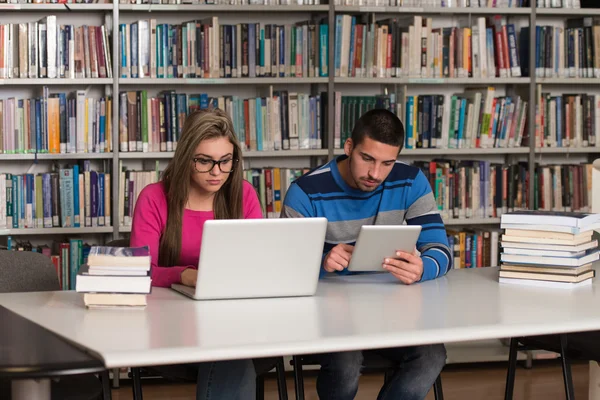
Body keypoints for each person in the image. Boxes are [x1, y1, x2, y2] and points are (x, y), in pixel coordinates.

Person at [280, 108, 451, 400]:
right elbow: (282, 267)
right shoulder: (305, 191)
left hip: (391, 310)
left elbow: (440, 249)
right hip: (330, 317)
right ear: (349, 148)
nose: (375, 174)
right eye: (367, 159)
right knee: (345, 364)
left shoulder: (411, 181)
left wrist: (423, 268)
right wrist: (321, 263)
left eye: (388, 163)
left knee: (432, 355)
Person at [130, 108, 263, 400]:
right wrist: (184, 275)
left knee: (233, 343)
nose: (217, 172)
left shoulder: (244, 195)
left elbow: (260, 260)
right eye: (204, 161)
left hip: (234, 315)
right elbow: (141, 270)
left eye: (225, 161)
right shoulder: (154, 198)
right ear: (186, 157)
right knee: (233, 351)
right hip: (171, 322)